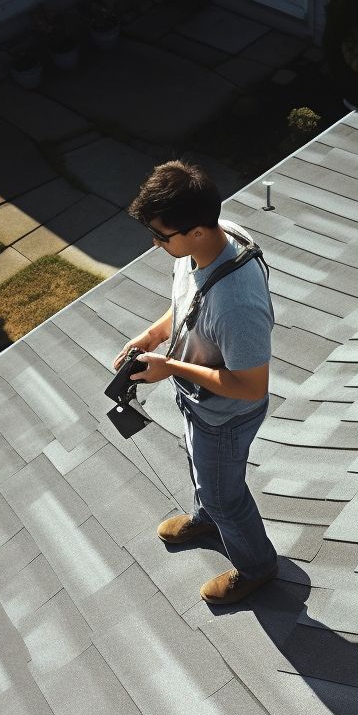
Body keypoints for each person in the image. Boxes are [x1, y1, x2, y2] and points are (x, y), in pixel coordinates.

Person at [113, 160, 278, 604]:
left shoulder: (238, 306)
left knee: (227, 495)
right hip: (199, 400)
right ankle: (208, 515)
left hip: (225, 414)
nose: (155, 243)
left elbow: (250, 387)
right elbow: (188, 304)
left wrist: (172, 368)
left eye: (162, 237)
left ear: (197, 231)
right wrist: (153, 335)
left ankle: (256, 566)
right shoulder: (204, 244)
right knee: (207, 477)